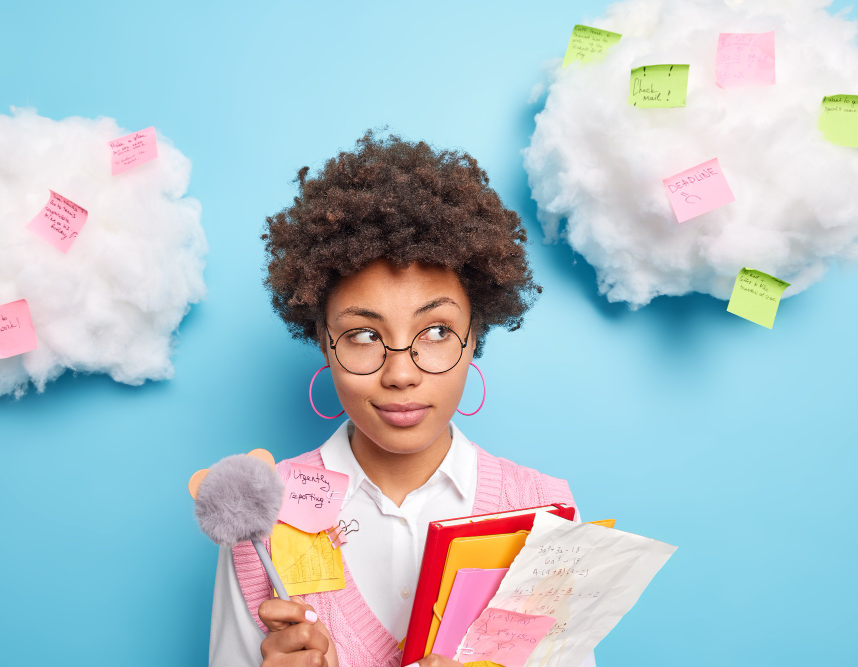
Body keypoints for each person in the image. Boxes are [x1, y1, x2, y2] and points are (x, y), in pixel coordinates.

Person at [209, 132, 594, 667]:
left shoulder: (544, 515)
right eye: (364, 336)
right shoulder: (259, 518)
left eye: (436, 331)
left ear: (474, 335)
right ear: (323, 341)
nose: (400, 373)